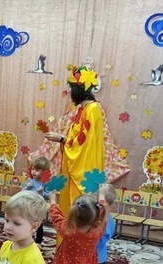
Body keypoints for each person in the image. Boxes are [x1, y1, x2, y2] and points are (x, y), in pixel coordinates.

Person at [44, 65, 105, 242]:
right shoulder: (82, 109)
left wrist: (62, 139)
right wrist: (63, 139)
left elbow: (85, 143)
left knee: (79, 212)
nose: (70, 92)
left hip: (82, 169)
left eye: (71, 88)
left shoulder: (93, 109)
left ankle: (77, 249)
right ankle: (66, 248)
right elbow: (77, 137)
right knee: (68, 211)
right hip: (73, 167)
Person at [22, 157, 50, 244]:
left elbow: (49, 196)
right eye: (33, 169)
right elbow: (22, 193)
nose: (33, 172)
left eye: (37, 170)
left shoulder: (45, 183)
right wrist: (27, 188)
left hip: (39, 207)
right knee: (27, 223)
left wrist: (42, 193)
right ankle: (25, 239)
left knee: (39, 225)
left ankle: (38, 242)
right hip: (28, 206)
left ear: (44, 172)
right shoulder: (30, 181)